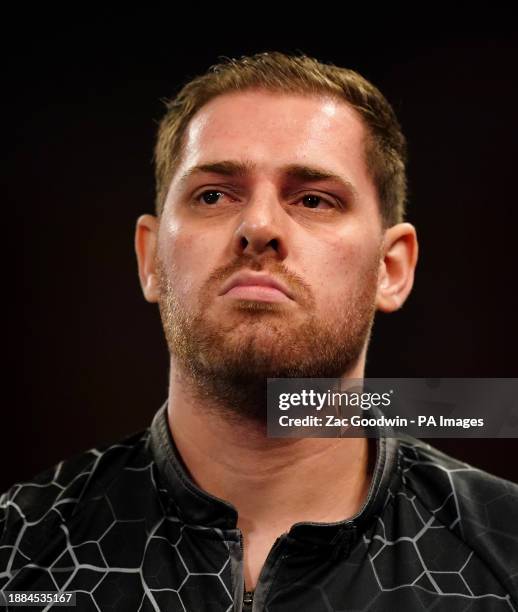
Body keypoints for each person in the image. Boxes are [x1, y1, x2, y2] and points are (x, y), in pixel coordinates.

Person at [1, 52, 516, 611]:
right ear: (151, 259)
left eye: (314, 199)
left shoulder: (505, 552)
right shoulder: (17, 548)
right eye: (215, 195)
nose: (259, 227)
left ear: (390, 269)